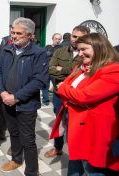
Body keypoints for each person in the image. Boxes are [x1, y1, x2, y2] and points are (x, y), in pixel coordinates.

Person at [56, 33, 119, 175]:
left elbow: (84, 96)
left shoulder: (113, 70)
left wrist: (64, 90)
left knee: (92, 169)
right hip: (76, 124)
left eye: (84, 49)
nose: (80, 53)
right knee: (75, 163)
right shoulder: (81, 67)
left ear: (99, 47)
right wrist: (70, 94)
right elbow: (68, 87)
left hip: (94, 132)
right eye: (78, 50)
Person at [0, 18, 48, 176]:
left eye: (19, 33)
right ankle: (16, 159)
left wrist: (16, 97)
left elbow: (40, 80)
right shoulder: (7, 49)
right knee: (13, 133)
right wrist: (3, 92)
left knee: (28, 139)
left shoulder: (39, 53)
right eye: (13, 32)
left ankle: (32, 171)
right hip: (7, 102)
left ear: (30, 35)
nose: (14, 36)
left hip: (26, 105)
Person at [44, 25, 90, 158]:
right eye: (74, 36)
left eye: (80, 37)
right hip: (60, 94)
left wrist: (62, 70)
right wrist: (69, 72)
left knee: (75, 123)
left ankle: (77, 152)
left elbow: (86, 74)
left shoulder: (88, 54)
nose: (75, 39)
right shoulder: (60, 51)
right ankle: (58, 148)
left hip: (77, 97)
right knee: (60, 121)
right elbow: (50, 68)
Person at [41, 33, 62, 105]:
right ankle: (45, 101)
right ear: (52, 39)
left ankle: (57, 101)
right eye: (56, 39)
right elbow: (42, 56)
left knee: (56, 86)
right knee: (45, 86)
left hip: (55, 70)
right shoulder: (47, 47)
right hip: (46, 69)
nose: (57, 40)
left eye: (59, 39)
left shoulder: (62, 49)